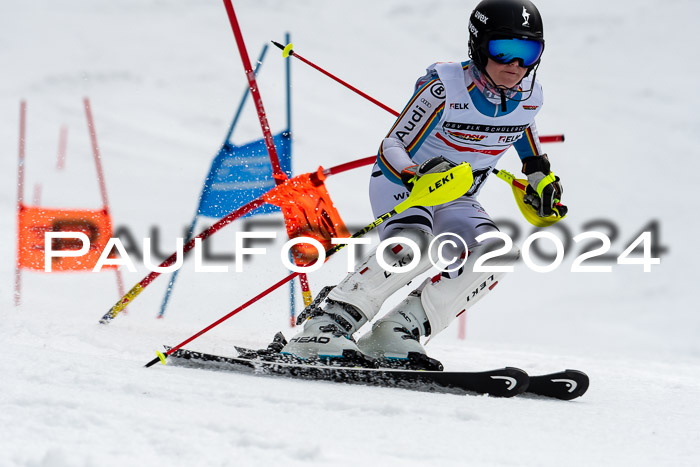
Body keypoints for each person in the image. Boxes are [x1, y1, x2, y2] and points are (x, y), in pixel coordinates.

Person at [280, 0, 565, 370]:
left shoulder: (530, 95)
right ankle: (324, 325)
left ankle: (398, 330)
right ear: (479, 46)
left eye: (528, 53)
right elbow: (391, 145)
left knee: (497, 252)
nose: (515, 65)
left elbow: (521, 129)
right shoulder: (443, 87)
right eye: (504, 50)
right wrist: (418, 173)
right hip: (406, 187)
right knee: (419, 243)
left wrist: (539, 176)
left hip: (457, 196)